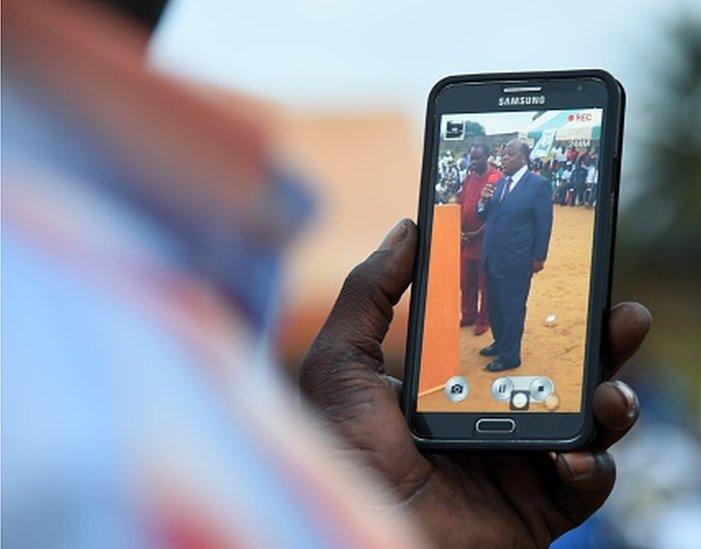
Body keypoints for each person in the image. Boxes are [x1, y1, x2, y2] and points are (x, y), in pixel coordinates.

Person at [3, 1, 652, 547]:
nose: (503, 153)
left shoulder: (117, 288)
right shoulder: (73, 416)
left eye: (507, 149)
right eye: (498, 148)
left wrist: (379, 517)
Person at [476, 139, 553, 372]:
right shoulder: (500, 183)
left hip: (516, 260)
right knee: (496, 305)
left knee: (512, 309)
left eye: (509, 154)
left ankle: (510, 357)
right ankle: (500, 344)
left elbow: (544, 223)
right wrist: (483, 201)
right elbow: (486, 217)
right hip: (492, 256)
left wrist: (539, 256)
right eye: (503, 154)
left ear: (523, 157)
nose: (504, 158)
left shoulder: (538, 184)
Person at [457, 144, 500, 335]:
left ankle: (484, 320)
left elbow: (495, 214)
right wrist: (459, 230)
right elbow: (461, 203)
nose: (473, 162)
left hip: (484, 240)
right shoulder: (469, 178)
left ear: (487, 157)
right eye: (471, 158)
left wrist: (476, 233)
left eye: (477, 158)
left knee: (485, 282)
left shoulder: (495, 178)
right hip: (466, 240)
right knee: (466, 281)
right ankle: (468, 314)